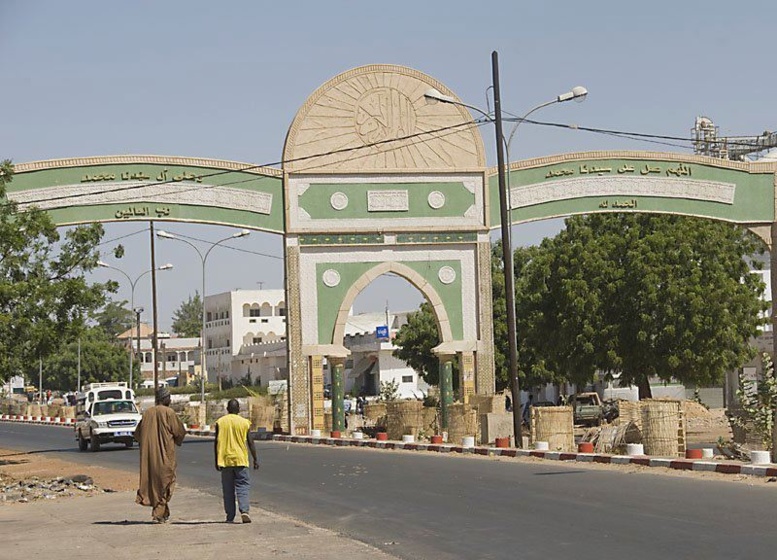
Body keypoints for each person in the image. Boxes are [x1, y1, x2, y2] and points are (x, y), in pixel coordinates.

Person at [134, 386, 186, 523]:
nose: (170, 399)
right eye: (169, 396)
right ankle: (158, 513)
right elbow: (179, 431)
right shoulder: (169, 413)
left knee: (157, 484)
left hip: (150, 458)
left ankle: (162, 512)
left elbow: (137, 434)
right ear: (165, 398)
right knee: (167, 483)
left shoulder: (147, 413)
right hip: (165, 456)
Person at [214, 399, 258, 524]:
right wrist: (255, 459)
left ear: (227, 409)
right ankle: (244, 511)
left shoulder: (220, 422)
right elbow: (250, 442)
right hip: (241, 460)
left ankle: (230, 516)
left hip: (225, 460)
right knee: (243, 486)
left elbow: (216, 442)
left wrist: (216, 460)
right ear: (238, 409)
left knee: (228, 490)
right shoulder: (244, 423)